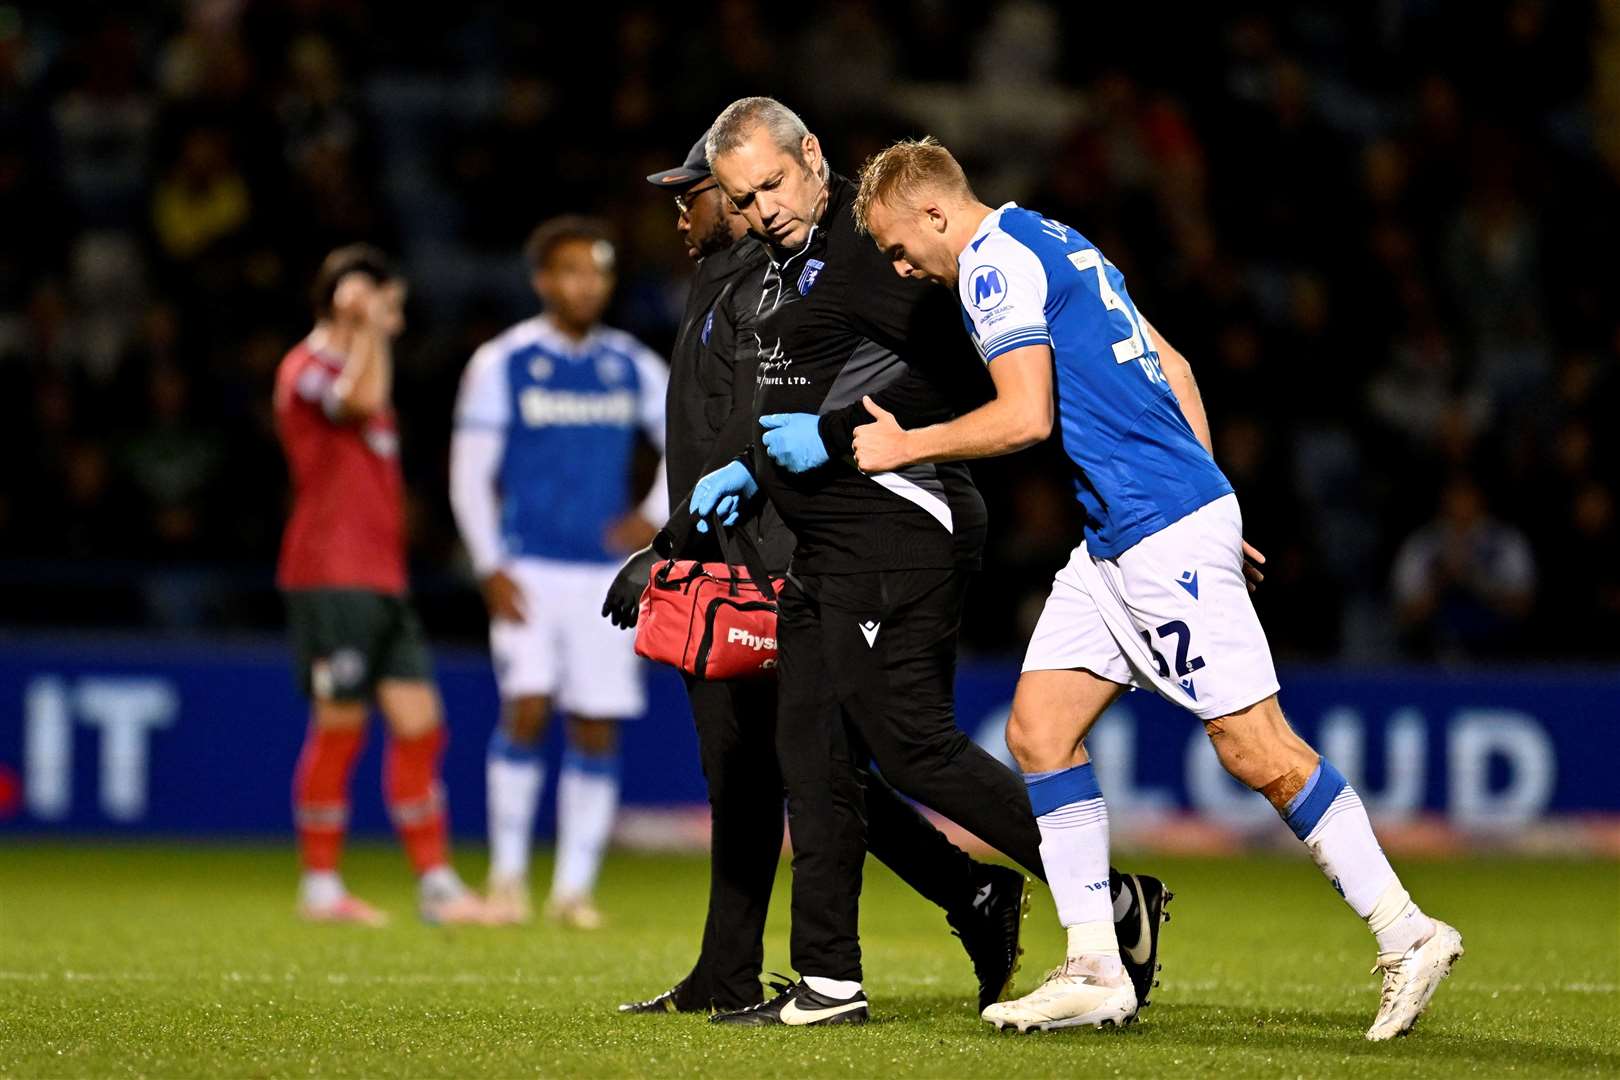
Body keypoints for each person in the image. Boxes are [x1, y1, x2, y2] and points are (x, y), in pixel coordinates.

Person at [849, 136, 1462, 1039]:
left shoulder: (989, 267)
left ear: (935, 212)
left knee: (1256, 749)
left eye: (898, 245)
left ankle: (1406, 930)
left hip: (1153, 529)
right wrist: (1210, 497)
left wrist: (908, 444)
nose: (901, 267)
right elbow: (1174, 366)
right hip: (1125, 537)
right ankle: (1097, 963)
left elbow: (1026, 416)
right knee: (1039, 729)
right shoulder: (1057, 238)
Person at [685, 98, 1169, 1027]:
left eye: (774, 185)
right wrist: (752, 468)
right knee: (811, 752)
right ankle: (827, 982)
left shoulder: (874, 253)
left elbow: (963, 373)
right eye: (744, 199)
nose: (763, 210)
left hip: (898, 528)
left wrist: (826, 437)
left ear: (813, 158)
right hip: (827, 543)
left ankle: (1105, 899)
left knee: (907, 740)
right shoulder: (784, 269)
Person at [606, 135, 1029, 1016]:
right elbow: (718, 430)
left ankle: (1055, 886)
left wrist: (676, 548)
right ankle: (776, 965)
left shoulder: (821, 263)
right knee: (786, 762)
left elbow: (792, 415)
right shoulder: (742, 277)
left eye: (700, 195)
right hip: (762, 534)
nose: (689, 212)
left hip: (807, 540)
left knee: (829, 758)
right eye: (720, 194)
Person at [449, 217, 667, 929]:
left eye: (598, 273)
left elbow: (690, 438)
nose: (585, 285)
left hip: (607, 575)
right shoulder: (502, 362)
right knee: (528, 707)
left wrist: (654, 518)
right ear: (543, 280)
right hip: (530, 569)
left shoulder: (630, 363)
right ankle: (508, 880)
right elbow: (468, 474)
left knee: (597, 723)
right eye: (571, 272)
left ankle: (574, 889)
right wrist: (489, 565)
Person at [274, 244, 490, 927]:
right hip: (329, 574)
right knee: (340, 727)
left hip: (380, 579)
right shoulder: (305, 369)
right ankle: (320, 889)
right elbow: (357, 398)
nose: (394, 318)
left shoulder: (362, 363)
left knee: (422, 728)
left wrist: (371, 332)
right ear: (349, 299)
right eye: (384, 303)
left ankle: (435, 886)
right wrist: (365, 326)